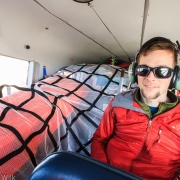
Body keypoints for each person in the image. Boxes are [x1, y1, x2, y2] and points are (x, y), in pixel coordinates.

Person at [91, 37, 180, 180]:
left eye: (162, 71)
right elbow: (99, 139)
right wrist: (102, 172)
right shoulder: (118, 103)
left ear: (175, 76)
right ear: (134, 73)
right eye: (143, 69)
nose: (150, 77)